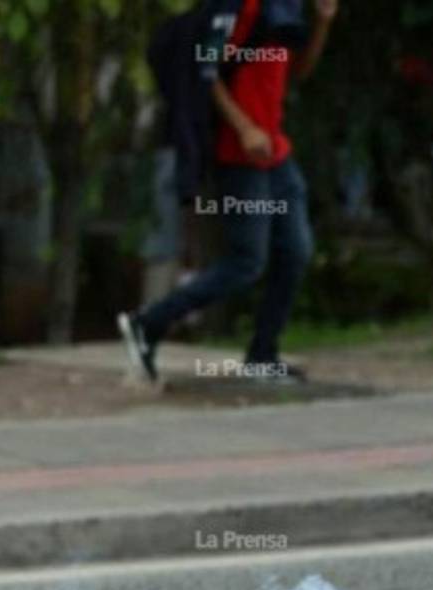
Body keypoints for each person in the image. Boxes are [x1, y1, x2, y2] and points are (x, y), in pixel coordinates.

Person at [118, 0, 338, 383]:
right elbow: (205, 67)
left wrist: (322, 24)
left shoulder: (288, 8)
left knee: (296, 250)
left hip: (275, 151)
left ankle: (262, 355)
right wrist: (244, 128)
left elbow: (298, 71)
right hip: (237, 152)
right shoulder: (244, 7)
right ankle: (147, 323)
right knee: (246, 262)